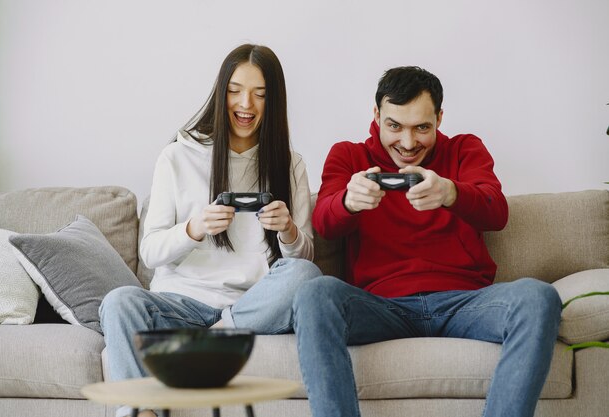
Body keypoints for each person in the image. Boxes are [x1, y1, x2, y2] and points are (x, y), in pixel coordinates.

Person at [292, 66, 562, 417]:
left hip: (464, 303)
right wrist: (347, 201)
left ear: (439, 118)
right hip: (380, 306)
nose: (407, 143)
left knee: (539, 296)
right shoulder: (348, 156)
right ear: (376, 116)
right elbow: (325, 223)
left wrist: (450, 192)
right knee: (314, 294)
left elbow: (497, 213)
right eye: (394, 126)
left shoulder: (465, 148)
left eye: (422, 127)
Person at [99, 44, 321, 417]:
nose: (245, 104)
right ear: (221, 94)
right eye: (235, 90)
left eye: (260, 94)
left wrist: (289, 232)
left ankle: (220, 333)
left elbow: (304, 259)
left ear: (274, 101)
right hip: (181, 303)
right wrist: (194, 228)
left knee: (305, 274)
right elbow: (150, 252)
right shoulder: (179, 155)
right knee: (119, 301)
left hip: (248, 308)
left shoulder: (289, 163)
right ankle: (141, 412)